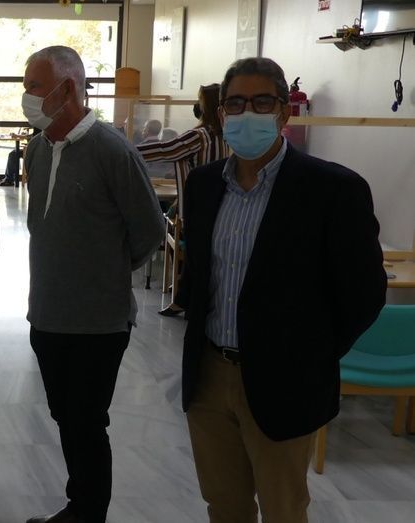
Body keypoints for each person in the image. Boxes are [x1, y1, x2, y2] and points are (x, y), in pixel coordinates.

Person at [178, 57, 386, 523]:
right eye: (235, 103)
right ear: (221, 114)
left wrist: (311, 354)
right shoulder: (205, 184)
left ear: (284, 111)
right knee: (223, 505)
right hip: (210, 375)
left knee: (283, 509)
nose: (246, 112)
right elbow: (200, 274)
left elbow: (365, 293)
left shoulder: (333, 189)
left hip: (286, 381)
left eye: (261, 102)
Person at [21, 46, 164, 523]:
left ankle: (87, 515)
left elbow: (149, 230)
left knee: (86, 423)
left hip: (97, 323)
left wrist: (103, 274)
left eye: (34, 87)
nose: (27, 96)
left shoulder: (112, 150)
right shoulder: (37, 148)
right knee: (66, 417)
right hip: (47, 314)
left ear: (67, 88)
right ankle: (78, 506)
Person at [138, 83, 227, 317]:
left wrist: (125, 151)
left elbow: (165, 150)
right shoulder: (224, 135)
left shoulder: (199, 136)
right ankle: (185, 299)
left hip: (199, 208)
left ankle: (191, 303)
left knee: (196, 258)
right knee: (198, 257)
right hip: (217, 205)